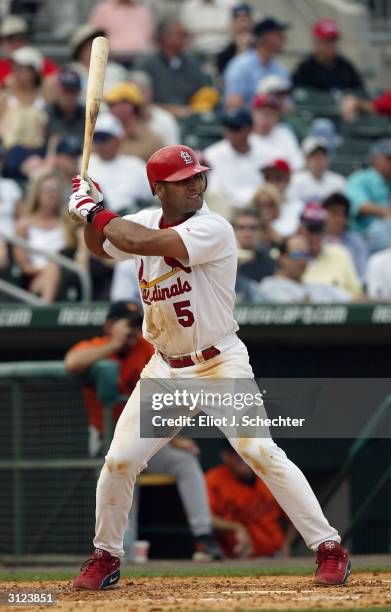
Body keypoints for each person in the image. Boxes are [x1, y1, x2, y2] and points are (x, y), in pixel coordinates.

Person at [68, 143, 351, 590]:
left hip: (218, 363)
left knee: (261, 453)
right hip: (165, 369)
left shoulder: (213, 227)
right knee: (119, 461)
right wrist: (88, 215)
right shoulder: (140, 220)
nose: (196, 185)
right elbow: (104, 247)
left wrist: (98, 211)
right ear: (158, 189)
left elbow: (139, 242)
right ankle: (105, 556)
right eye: (183, 182)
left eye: (198, 176)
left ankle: (329, 548)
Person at [65, 301, 222, 561]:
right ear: (109, 325)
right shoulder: (95, 347)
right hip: (105, 438)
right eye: (126, 323)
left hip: (146, 433)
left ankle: (204, 539)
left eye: (137, 324)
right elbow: (71, 363)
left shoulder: (148, 350)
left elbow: (175, 395)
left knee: (185, 460)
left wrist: (174, 437)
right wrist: (113, 344)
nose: (133, 330)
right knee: (122, 466)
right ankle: (119, 549)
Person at [206, 440, 286, 558]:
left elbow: (295, 516)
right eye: (236, 453)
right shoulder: (214, 480)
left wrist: (287, 545)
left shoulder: (271, 474)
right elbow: (205, 518)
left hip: (275, 555)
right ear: (225, 456)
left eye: (246, 453)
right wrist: (236, 527)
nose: (242, 458)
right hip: (237, 558)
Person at [13, 171, 76, 302]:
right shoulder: (24, 225)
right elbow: (24, 265)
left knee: (53, 266)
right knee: (51, 267)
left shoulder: (66, 222)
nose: (52, 194)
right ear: (37, 192)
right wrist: (47, 270)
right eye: (47, 190)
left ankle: (44, 309)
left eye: (55, 190)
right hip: (35, 277)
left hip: (66, 276)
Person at [136, 17, 216, 118]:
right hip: (156, 118)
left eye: (185, 34)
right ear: (165, 37)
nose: (185, 37)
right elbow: (139, 101)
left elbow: (204, 93)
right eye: (180, 34)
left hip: (190, 118)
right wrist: (171, 110)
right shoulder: (146, 65)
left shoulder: (193, 64)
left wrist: (193, 109)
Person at [203, 109, 268, 213]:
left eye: (235, 128)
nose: (230, 133)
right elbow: (213, 191)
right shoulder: (212, 154)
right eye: (228, 128)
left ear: (250, 129)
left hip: (258, 206)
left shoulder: (265, 152)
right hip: (227, 207)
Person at [88, 112, 151, 215]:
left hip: (130, 220)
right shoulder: (83, 164)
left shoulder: (136, 165)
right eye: (96, 138)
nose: (100, 144)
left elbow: (150, 198)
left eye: (104, 138)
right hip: (93, 221)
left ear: (118, 140)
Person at [258, 234, 351, 303]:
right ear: (282, 258)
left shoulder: (319, 287)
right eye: (297, 255)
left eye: (305, 255)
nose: (302, 261)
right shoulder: (270, 285)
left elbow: (354, 300)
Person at [224, 16, 291, 111]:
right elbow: (233, 104)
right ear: (265, 37)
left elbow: (288, 107)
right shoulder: (240, 65)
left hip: (276, 123)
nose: (284, 38)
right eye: (278, 34)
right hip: (246, 123)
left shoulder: (281, 70)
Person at [299, 202, 361, 298]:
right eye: (311, 229)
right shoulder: (292, 256)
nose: (315, 235)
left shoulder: (340, 253)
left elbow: (356, 293)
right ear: (301, 229)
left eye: (319, 229)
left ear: (325, 230)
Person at [292, 18, 363, 92]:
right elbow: (298, 97)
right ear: (316, 43)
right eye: (327, 41)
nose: (331, 44)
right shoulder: (305, 69)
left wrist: (354, 100)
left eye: (333, 40)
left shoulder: (346, 66)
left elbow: (362, 94)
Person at [345, 139, 391, 252]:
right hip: (363, 236)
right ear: (374, 159)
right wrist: (384, 212)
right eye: (388, 158)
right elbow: (360, 205)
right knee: (379, 228)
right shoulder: (361, 178)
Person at [104, 82, 165, 162]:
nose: (110, 109)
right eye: (109, 105)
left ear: (129, 106)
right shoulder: (104, 134)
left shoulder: (152, 141)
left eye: (113, 104)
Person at [0, 15, 58, 87]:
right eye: (10, 39)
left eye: (21, 38)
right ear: (1, 42)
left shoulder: (42, 63)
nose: (16, 43)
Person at [323, 193, 368, 282]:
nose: (338, 219)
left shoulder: (357, 242)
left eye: (342, 214)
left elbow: (363, 273)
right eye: (334, 213)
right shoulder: (317, 241)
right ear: (324, 214)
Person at [251, 94, 303, 171]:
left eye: (270, 113)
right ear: (253, 114)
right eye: (262, 113)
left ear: (277, 117)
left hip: (284, 180)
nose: (266, 117)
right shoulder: (246, 136)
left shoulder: (284, 132)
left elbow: (297, 165)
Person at [128, 71, 181, 146]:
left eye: (141, 92)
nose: (137, 97)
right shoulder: (124, 120)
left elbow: (173, 151)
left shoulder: (165, 119)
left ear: (150, 92)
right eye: (132, 93)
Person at [288, 136, 345, 204]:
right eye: (314, 156)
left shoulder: (338, 181)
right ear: (306, 159)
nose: (318, 160)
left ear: (328, 159)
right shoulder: (294, 181)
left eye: (322, 156)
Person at [89, 0, 154, 56]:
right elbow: (94, 37)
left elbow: (151, 38)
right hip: (112, 59)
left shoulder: (142, 10)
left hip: (141, 58)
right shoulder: (104, 10)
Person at [232, 207, 277, 282]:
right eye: (241, 228)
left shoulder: (270, 265)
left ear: (261, 232)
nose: (247, 234)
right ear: (232, 231)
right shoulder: (222, 260)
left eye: (253, 228)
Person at [45, 69, 85, 145]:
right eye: (65, 91)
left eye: (72, 91)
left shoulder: (87, 114)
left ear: (79, 92)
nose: (68, 96)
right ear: (57, 91)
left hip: (80, 155)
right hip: (53, 155)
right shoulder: (46, 113)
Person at [216, 3, 254, 75]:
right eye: (240, 21)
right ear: (232, 24)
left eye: (246, 20)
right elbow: (228, 78)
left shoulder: (260, 49)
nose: (244, 26)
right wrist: (241, 50)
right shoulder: (224, 55)